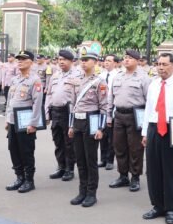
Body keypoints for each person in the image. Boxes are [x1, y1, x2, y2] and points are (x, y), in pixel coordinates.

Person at [141, 53, 173, 224]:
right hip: (155, 127)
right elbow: (148, 110)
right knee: (153, 170)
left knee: (170, 171)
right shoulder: (154, 85)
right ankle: (157, 206)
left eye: (164, 64)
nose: (160, 67)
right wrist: (145, 133)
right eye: (158, 64)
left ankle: (170, 209)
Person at [68, 48, 109, 207]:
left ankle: (91, 193)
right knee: (80, 159)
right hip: (77, 122)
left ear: (95, 62)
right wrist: (71, 125)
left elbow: (104, 107)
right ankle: (82, 191)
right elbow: (73, 104)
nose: (83, 63)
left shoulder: (100, 81)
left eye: (87, 60)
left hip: (91, 121)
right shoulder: (76, 80)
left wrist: (100, 128)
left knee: (90, 159)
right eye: (82, 60)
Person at [109, 49, 152, 192]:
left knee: (135, 148)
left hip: (136, 115)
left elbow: (149, 100)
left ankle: (135, 177)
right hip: (119, 115)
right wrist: (109, 116)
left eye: (130, 58)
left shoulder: (144, 77)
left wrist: (146, 121)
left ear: (137, 60)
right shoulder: (118, 76)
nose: (126, 60)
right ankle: (123, 176)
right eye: (125, 57)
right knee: (119, 146)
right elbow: (111, 98)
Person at [4, 50, 44, 193]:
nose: (19, 61)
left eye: (23, 59)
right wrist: (7, 120)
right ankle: (19, 177)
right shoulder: (15, 79)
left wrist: (33, 123)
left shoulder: (35, 80)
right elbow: (10, 101)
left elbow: (37, 103)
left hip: (25, 123)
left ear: (31, 62)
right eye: (18, 59)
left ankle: (29, 180)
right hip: (13, 121)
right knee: (13, 149)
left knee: (26, 151)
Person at [45, 49, 80, 182]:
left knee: (69, 142)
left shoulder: (77, 75)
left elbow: (78, 97)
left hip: (68, 112)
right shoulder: (55, 75)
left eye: (64, 60)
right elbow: (49, 95)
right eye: (59, 60)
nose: (61, 62)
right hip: (55, 111)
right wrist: (46, 113)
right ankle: (61, 167)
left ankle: (69, 169)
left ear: (71, 61)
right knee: (58, 141)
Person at [98, 54, 119, 170]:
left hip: (113, 108)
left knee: (112, 136)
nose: (106, 63)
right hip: (102, 107)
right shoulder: (100, 75)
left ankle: (110, 159)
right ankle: (103, 159)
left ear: (115, 63)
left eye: (109, 61)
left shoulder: (118, 75)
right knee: (102, 135)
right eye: (106, 60)